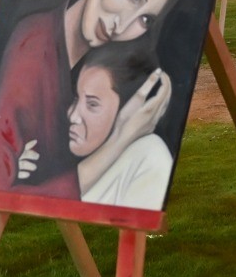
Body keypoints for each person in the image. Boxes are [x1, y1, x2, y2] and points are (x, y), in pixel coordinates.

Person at [0, 0, 191, 199]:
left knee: (151, 153)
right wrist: (120, 139)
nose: (123, 24)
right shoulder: (33, 48)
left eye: (146, 19)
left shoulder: (113, 63)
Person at [51, 42, 173, 210]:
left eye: (92, 104)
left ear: (132, 109)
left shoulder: (149, 157)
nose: (73, 116)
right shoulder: (58, 157)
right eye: (76, 98)